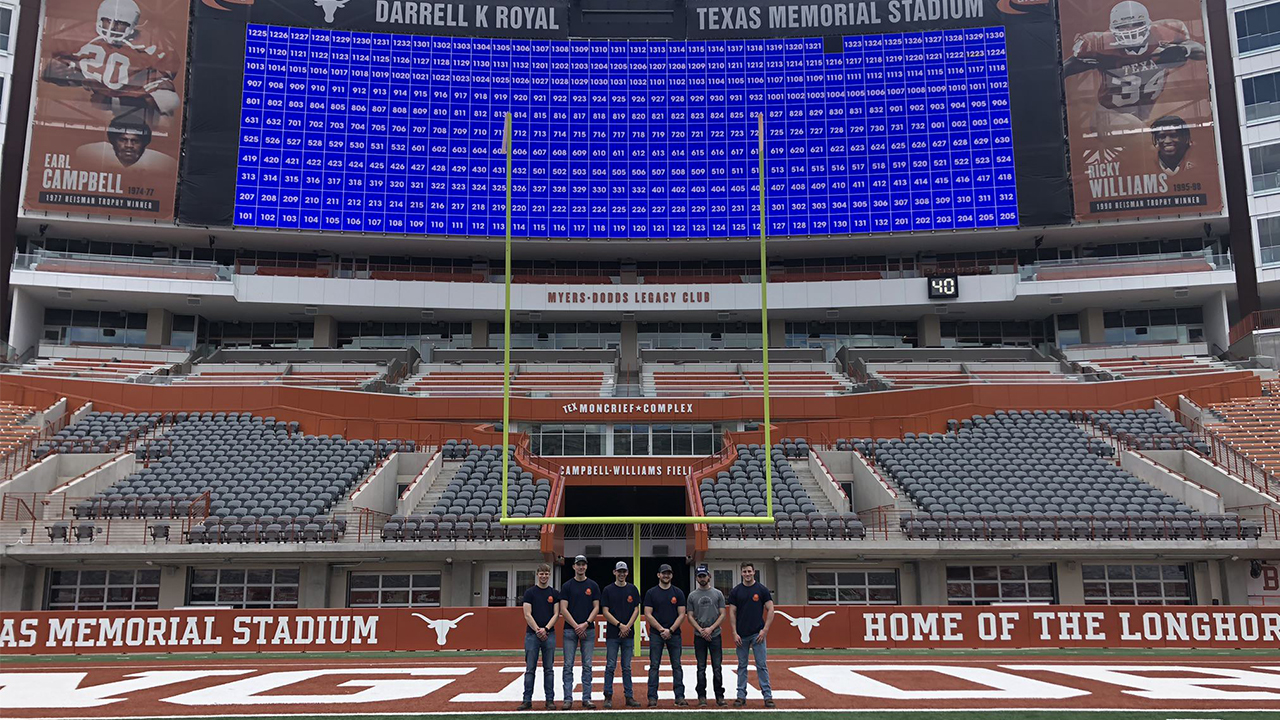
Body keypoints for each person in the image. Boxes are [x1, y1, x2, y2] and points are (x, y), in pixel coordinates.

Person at [1062, 1, 1205, 137]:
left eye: (1136, 24)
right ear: (1113, 29)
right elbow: (1063, 70)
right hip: (1108, 115)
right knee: (1146, 138)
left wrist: (1184, 49)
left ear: (1148, 24)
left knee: (1148, 139)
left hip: (1142, 115)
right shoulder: (1100, 45)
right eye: (1123, 26)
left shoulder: (1163, 33)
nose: (1130, 30)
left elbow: (1202, 51)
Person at [727, 561, 775, 708]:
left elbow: (771, 610)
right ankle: (741, 696)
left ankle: (767, 697)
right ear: (741, 573)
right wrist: (734, 633)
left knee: (761, 665)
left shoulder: (762, 590)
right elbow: (732, 613)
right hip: (741, 635)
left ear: (754, 572)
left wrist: (764, 630)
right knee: (742, 666)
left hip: (757, 635)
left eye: (749, 571)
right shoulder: (736, 591)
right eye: (745, 572)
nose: (747, 574)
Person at [642, 563, 687, 708]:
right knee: (654, 666)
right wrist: (662, 629)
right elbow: (647, 614)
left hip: (674, 634)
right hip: (656, 634)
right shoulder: (651, 593)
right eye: (663, 573)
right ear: (658, 575)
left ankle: (679, 697)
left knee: (677, 666)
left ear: (671, 575)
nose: (666, 575)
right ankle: (652, 697)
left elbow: (682, 614)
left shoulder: (678, 592)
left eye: (668, 573)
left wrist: (671, 630)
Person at [559, 554, 601, 710]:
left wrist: (586, 624)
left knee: (587, 665)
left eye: (583, 564)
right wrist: (577, 626)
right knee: (568, 665)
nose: (581, 567)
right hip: (570, 631)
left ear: (586, 566)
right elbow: (563, 609)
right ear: (574, 567)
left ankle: (586, 698)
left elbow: (596, 607)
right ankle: (568, 699)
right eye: (578, 564)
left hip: (588, 631)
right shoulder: (567, 586)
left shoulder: (593, 585)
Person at [600, 561, 642, 709]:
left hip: (628, 635)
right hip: (613, 634)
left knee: (627, 667)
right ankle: (608, 696)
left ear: (627, 573)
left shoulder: (632, 589)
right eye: (619, 571)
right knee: (610, 666)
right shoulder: (608, 590)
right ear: (614, 572)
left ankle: (629, 696)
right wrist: (620, 625)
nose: (622, 574)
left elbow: (636, 609)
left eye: (624, 571)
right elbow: (605, 611)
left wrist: (628, 626)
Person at [518, 563, 559, 712]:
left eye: (546, 573)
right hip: (532, 635)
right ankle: (527, 700)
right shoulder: (530, 593)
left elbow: (556, 614)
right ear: (537, 575)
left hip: (549, 634)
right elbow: (527, 614)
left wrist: (546, 629)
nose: (544, 576)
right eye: (541, 573)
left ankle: (550, 700)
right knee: (530, 669)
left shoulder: (554, 593)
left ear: (549, 575)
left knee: (549, 669)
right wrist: (538, 630)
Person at [685, 564, 727, 707]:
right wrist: (701, 630)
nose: (702, 578)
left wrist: (710, 629)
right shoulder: (692, 595)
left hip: (715, 635)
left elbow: (723, 614)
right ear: (696, 578)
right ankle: (701, 696)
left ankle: (719, 696)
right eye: (699, 576)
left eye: (704, 575)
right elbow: (689, 616)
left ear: (709, 576)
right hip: (699, 636)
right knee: (701, 667)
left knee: (717, 667)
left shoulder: (718, 594)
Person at [75, 118, 176, 173]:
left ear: (144, 143)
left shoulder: (163, 164)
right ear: (113, 141)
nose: (129, 145)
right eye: (123, 140)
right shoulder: (89, 154)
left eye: (135, 141)